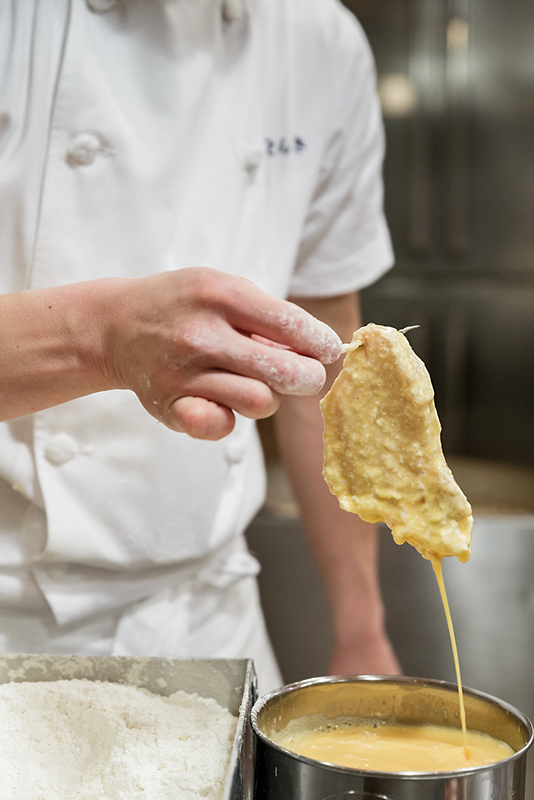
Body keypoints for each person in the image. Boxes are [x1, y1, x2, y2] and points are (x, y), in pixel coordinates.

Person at [0, 0, 401, 690]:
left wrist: (361, 630)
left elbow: (323, 373)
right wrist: (101, 338)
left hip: (208, 615)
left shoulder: (318, 39)